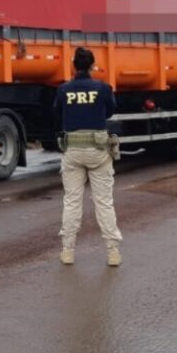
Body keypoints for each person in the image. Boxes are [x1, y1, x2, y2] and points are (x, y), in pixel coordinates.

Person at [53, 47, 122, 266]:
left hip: (72, 150)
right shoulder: (102, 88)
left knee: (72, 202)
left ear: (74, 66)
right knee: (104, 202)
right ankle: (112, 253)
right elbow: (110, 111)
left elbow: (57, 112)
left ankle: (68, 251)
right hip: (98, 150)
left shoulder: (64, 89)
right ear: (92, 66)